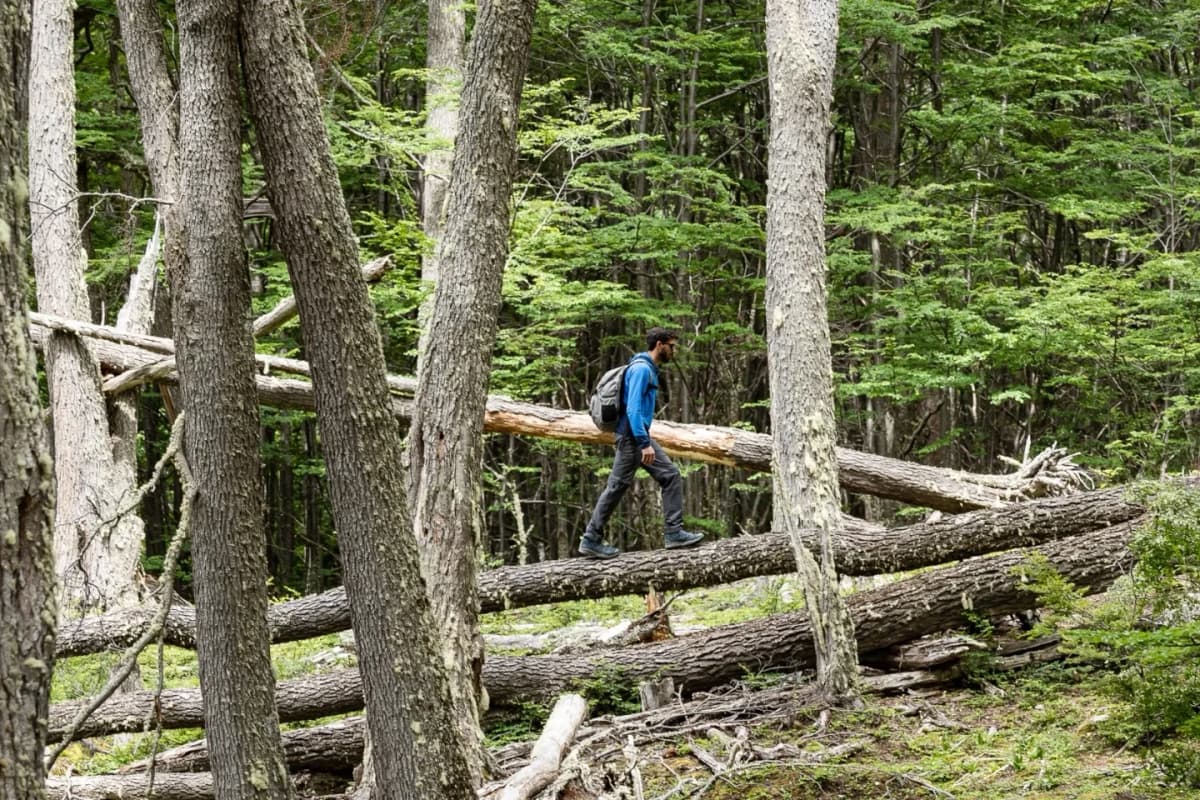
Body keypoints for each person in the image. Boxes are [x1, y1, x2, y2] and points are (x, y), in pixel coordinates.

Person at [579, 328, 706, 559]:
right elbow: (633, 409)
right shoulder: (640, 370)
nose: (673, 350)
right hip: (632, 439)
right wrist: (643, 442)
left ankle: (674, 533)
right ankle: (591, 538)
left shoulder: (646, 368)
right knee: (616, 487)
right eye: (671, 345)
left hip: (637, 438)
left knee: (670, 475)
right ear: (659, 345)